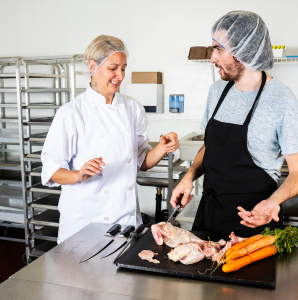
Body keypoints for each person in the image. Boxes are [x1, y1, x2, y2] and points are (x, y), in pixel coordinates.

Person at [171, 11, 298, 237]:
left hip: (252, 223)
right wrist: (188, 176)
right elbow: (210, 147)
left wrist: (273, 202)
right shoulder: (217, 90)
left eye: (218, 49)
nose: (212, 58)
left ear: (243, 52)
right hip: (208, 217)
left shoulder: (282, 100)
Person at [41, 35, 179, 243]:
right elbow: (52, 169)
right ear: (92, 66)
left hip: (127, 220)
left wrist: (162, 147)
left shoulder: (133, 108)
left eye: (123, 68)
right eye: (113, 68)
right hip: (84, 221)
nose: (120, 75)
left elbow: (142, 162)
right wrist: (79, 174)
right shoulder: (71, 113)